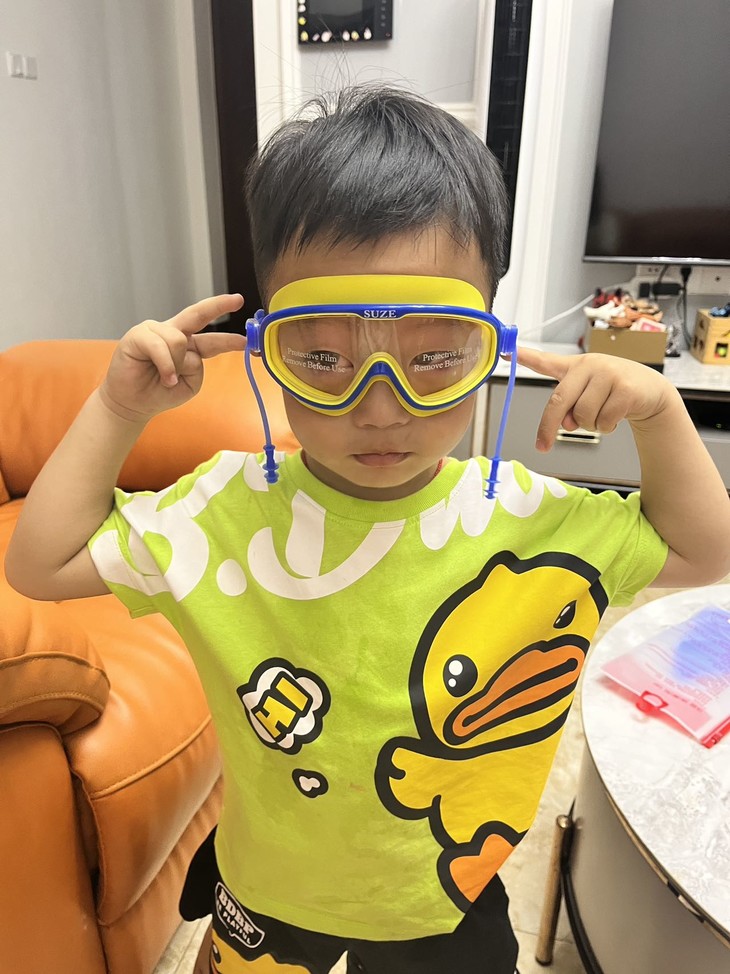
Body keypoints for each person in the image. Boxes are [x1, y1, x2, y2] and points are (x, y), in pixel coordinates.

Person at [6, 85, 730, 974]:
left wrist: (661, 412)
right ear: (266, 348)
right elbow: (41, 565)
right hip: (267, 896)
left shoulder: (533, 523)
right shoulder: (220, 514)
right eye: (322, 358)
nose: (379, 407)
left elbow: (706, 553)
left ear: (492, 348)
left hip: (446, 898)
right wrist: (119, 409)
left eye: (434, 357)